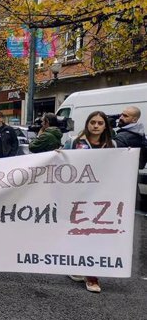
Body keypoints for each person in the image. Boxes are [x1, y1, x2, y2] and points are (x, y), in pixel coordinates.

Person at [64, 111, 116, 294]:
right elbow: (63, 163)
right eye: (92, 122)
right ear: (87, 124)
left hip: (102, 198)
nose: (96, 126)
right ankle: (77, 265)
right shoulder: (74, 142)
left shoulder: (112, 145)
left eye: (100, 123)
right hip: (78, 196)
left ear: (105, 126)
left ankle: (92, 275)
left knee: (96, 233)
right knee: (78, 232)